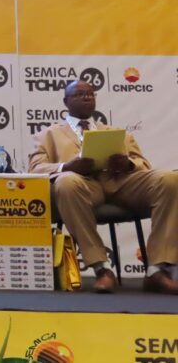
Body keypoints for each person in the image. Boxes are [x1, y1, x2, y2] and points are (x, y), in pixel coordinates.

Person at [29, 80, 178, 294]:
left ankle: (157, 270)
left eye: (90, 94)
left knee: (170, 179)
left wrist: (127, 164)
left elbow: (143, 164)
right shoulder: (48, 134)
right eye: (79, 94)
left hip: (121, 183)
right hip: (83, 186)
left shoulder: (116, 133)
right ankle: (102, 268)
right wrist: (67, 166)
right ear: (66, 101)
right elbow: (35, 168)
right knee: (66, 181)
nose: (86, 97)